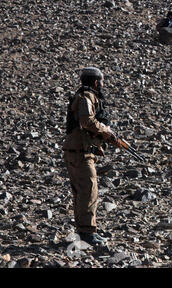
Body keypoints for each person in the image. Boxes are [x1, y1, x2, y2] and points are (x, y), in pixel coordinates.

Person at [62, 67, 120, 246]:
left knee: (83, 191)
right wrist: (106, 131)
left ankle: (85, 230)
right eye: (101, 82)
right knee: (88, 190)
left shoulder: (86, 96)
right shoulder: (87, 97)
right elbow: (87, 120)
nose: (102, 85)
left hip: (80, 151)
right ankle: (87, 233)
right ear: (96, 82)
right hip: (80, 153)